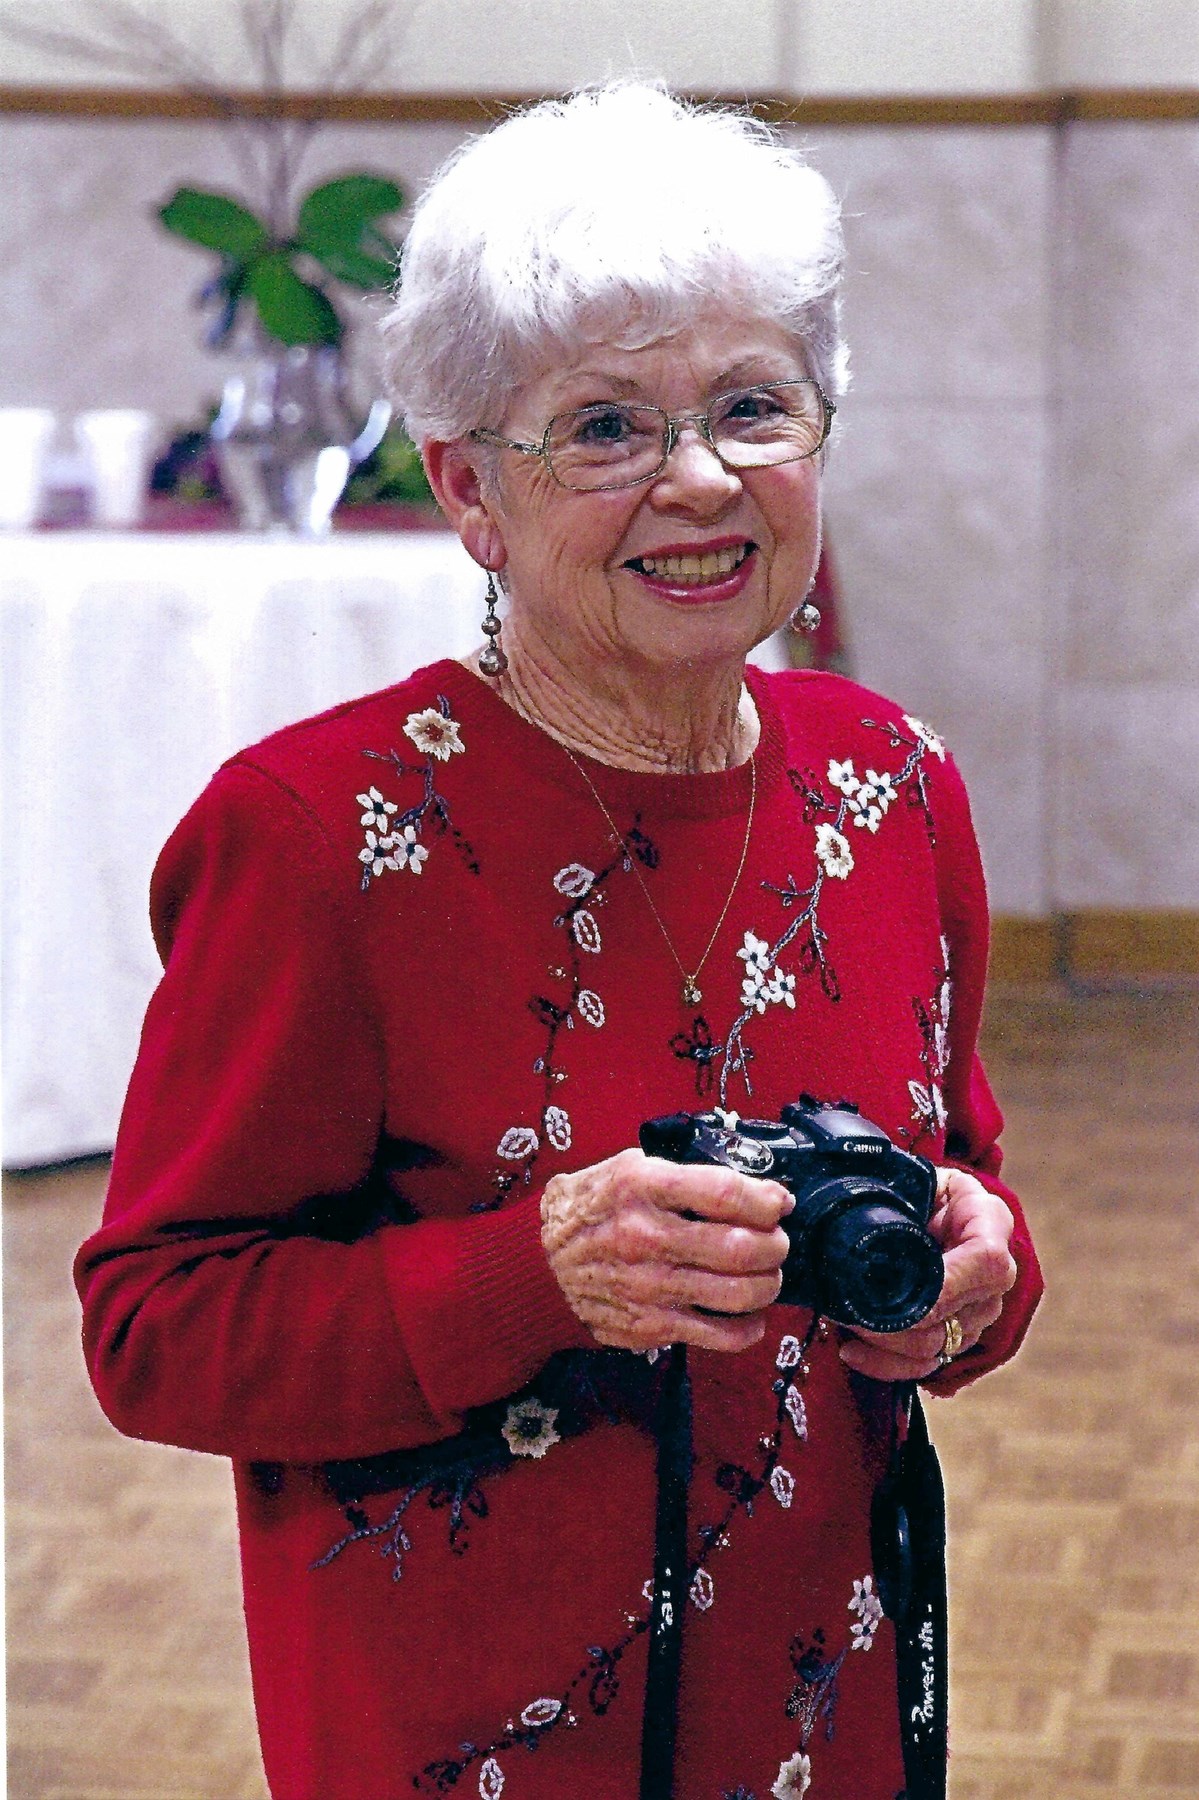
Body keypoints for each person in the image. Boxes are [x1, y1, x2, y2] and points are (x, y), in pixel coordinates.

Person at [76, 84, 1043, 1800]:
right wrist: (535, 1274)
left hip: (827, 1706)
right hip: (474, 1736)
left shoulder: (894, 782)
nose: (701, 479)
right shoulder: (319, 836)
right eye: (605, 428)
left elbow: (961, 1173)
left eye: (755, 407)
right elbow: (156, 1323)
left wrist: (979, 1271)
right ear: (469, 491)